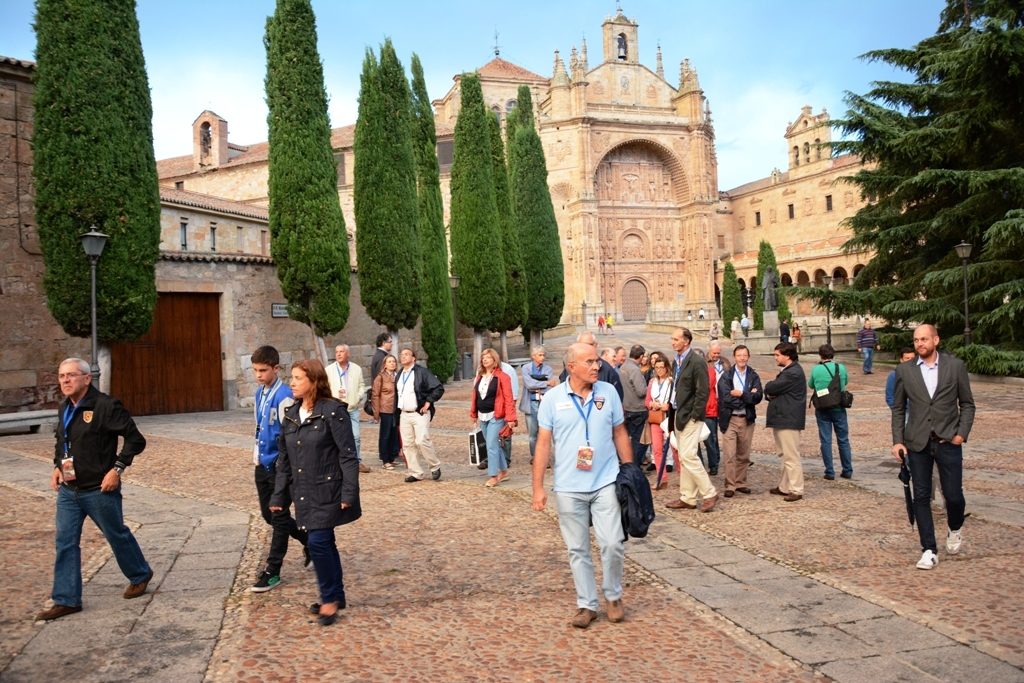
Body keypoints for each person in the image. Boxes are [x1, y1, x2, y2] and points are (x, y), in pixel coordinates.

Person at [36, 358, 154, 621]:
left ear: (87, 379)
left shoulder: (106, 406)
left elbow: (136, 439)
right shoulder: (64, 407)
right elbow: (61, 440)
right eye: (61, 376)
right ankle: (66, 599)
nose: (65, 380)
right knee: (65, 542)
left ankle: (140, 574)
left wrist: (117, 469)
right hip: (69, 491)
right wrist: (57, 466)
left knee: (117, 535)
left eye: (71, 376)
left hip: (99, 490)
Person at [532, 342, 632, 629]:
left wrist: (629, 472)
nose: (596, 366)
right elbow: (542, 443)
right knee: (577, 549)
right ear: (571, 366)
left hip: (605, 480)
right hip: (568, 486)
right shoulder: (552, 399)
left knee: (612, 543)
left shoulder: (608, 392)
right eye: (589, 362)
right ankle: (587, 604)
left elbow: (620, 432)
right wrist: (538, 487)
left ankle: (613, 595)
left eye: (596, 361)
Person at [270, 359, 360, 626]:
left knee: (318, 543)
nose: (292, 382)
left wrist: (349, 492)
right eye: (292, 377)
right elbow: (284, 461)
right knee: (324, 542)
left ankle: (329, 600)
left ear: (313, 380)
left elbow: (348, 455)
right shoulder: (290, 415)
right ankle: (337, 594)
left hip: (328, 489)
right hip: (303, 491)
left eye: (298, 378)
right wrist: (278, 496)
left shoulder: (333, 411)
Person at [891, 324, 975, 570]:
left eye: (924, 339)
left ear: (936, 340)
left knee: (954, 496)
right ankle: (928, 549)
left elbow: (968, 404)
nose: (920, 344)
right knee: (921, 496)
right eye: (916, 340)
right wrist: (897, 440)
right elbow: (898, 408)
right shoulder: (904, 371)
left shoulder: (955, 367)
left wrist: (961, 433)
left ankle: (955, 527)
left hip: (948, 440)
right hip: (917, 442)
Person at [249, 346, 309, 593]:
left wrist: (284, 467)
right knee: (269, 516)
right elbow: (259, 427)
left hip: (279, 468)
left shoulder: (285, 396)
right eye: (255, 371)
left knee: (280, 517)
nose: (258, 375)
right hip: (262, 465)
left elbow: (290, 436)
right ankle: (310, 542)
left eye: (263, 370)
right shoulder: (259, 394)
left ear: (276, 368)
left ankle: (272, 571)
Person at [665, 328, 718, 512]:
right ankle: (688, 497)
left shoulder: (696, 361)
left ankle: (709, 492)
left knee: (688, 456)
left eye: (676, 339)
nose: (673, 342)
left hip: (690, 416)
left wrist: (695, 416)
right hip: (678, 415)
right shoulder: (676, 361)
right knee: (684, 455)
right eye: (672, 338)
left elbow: (702, 391)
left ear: (686, 341)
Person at [764, 342, 807, 502]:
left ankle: (796, 489)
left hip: (788, 419)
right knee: (785, 455)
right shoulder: (788, 371)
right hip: (782, 418)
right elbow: (772, 392)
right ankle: (784, 486)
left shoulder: (792, 373)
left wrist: (769, 389)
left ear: (787, 355)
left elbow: (771, 388)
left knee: (791, 456)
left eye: (777, 355)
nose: (775, 358)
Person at [717, 345, 762, 497]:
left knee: (744, 454)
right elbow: (725, 398)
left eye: (745, 355)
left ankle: (741, 482)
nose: (742, 358)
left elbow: (758, 397)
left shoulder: (753, 375)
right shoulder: (727, 376)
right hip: (730, 419)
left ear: (748, 357)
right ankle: (730, 485)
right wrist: (748, 397)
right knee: (730, 454)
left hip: (747, 419)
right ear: (734, 357)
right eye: (739, 355)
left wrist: (741, 394)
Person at [396, 347, 445, 483]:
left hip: (419, 412)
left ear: (413, 358)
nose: (403, 356)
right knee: (408, 444)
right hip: (404, 413)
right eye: (402, 354)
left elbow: (438, 388)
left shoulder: (421, 372)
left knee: (422, 440)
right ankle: (415, 472)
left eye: (407, 354)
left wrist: (428, 402)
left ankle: (434, 466)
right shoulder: (400, 374)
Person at [470, 349, 517, 487]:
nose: (485, 359)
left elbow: (509, 399)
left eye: (488, 357)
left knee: (491, 445)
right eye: (483, 357)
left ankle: (493, 475)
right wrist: (473, 413)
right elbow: (475, 396)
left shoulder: (503, 377)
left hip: (496, 416)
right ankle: (503, 471)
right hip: (482, 415)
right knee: (494, 445)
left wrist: (511, 418)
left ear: (495, 360)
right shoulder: (479, 377)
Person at [808, 344, 853, 481]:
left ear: (820, 355)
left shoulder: (816, 370)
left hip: (822, 408)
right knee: (843, 440)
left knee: (826, 440)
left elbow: (811, 385)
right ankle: (847, 469)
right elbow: (844, 383)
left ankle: (829, 471)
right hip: (838, 407)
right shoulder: (841, 368)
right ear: (833, 355)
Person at [326, 344, 370, 473]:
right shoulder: (329, 370)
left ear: (348, 354)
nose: (339, 354)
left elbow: (362, 385)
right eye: (337, 352)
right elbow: (325, 387)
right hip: (336, 408)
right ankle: (338, 461)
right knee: (336, 437)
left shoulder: (356, 368)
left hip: (352, 407)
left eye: (342, 351)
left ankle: (356, 461)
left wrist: (359, 396)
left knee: (355, 436)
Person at [520, 346, 558, 463]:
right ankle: (535, 456)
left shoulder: (548, 369)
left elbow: (550, 388)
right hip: (530, 404)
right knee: (532, 434)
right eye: (540, 355)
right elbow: (529, 385)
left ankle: (545, 457)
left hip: (544, 404)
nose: (542, 357)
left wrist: (539, 385)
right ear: (533, 356)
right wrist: (545, 383)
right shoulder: (526, 368)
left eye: (543, 355)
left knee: (546, 432)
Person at [561, 331, 624, 399]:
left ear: (596, 345)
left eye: (588, 345)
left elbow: (617, 398)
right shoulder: (570, 367)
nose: (585, 349)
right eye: (581, 345)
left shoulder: (608, 370)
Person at [701, 341, 730, 476]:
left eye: (718, 353)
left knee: (716, 434)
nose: (716, 356)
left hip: (721, 401)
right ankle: (714, 462)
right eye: (714, 353)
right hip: (709, 403)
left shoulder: (725, 363)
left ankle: (716, 461)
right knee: (710, 436)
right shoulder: (705, 364)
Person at [646, 354, 673, 490]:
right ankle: (661, 478)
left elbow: (676, 400)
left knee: (674, 448)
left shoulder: (671, 381)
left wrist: (667, 406)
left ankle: (683, 477)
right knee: (657, 449)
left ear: (667, 367)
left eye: (662, 367)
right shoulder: (652, 382)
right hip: (656, 418)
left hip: (669, 418)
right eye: (657, 367)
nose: (659, 370)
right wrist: (652, 404)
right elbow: (646, 401)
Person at [619, 344, 649, 467]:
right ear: (641, 356)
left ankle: (628, 463)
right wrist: (651, 387)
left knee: (629, 439)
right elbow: (641, 391)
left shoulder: (624, 366)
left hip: (627, 407)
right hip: (637, 409)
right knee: (639, 440)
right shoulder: (634, 369)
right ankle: (634, 466)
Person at [372, 355, 401, 469]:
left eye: (394, 361)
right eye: (389, 362)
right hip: (385, 409)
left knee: (394, 434)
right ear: (385, 364)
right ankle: (385, 459)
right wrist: (376, 412)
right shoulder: (380, 377)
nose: (392, 363)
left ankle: (391, 457)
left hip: (396, 409)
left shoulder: (398, 376)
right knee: (385, 435)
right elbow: (375, 395)